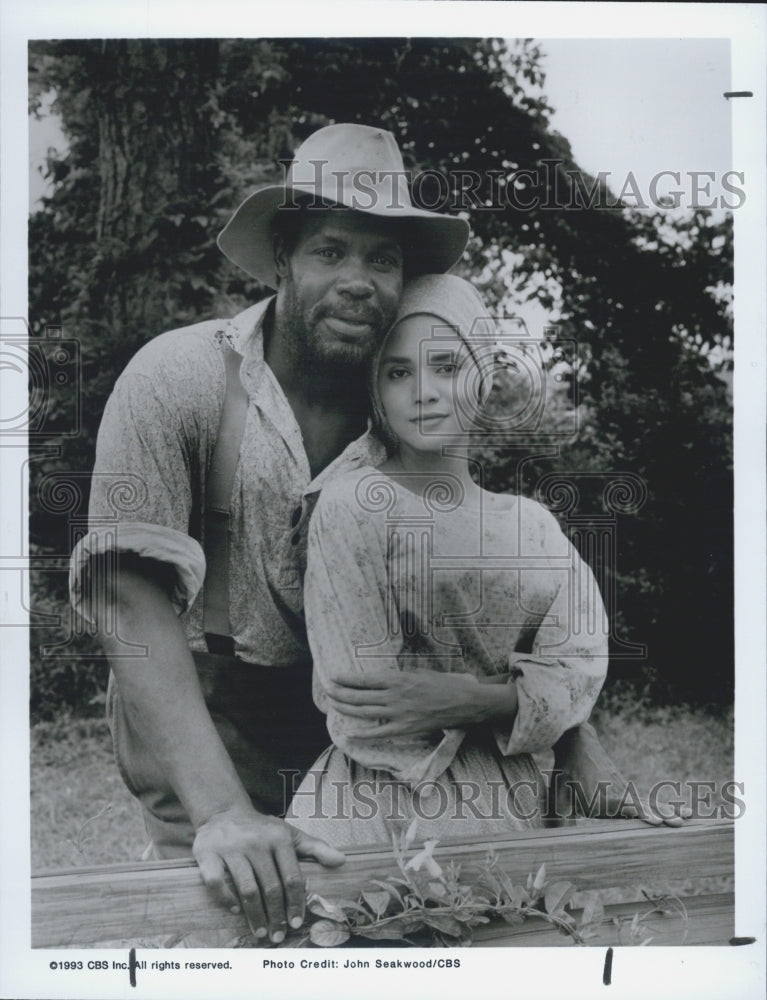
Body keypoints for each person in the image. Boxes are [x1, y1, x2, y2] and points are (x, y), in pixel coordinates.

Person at [69, 122, 677, 946]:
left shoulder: (405, 389)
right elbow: (124, 594)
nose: (356, 281)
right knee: (222, 932)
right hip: (206, 705)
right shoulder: (178, 377)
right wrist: (220, 810)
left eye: (381, 259)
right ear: (282, 257)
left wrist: (569, 738)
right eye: (329, 250)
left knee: (388, 935)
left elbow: (485, 589)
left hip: (363, 720)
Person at [287, 274, 610, 845]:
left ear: (483, 379)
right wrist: (513, 699)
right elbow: (363, 701)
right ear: (376, 391)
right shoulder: (351, 506)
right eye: (397, 373)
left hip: (512, 809)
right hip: (372, 810)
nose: (422, 392)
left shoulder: (530, 525)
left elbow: (580, 667)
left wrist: (466, 698)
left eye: (446, 368)